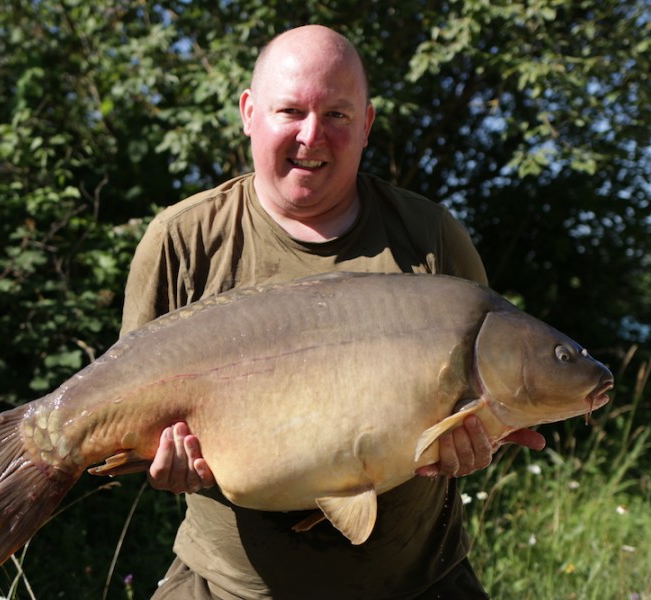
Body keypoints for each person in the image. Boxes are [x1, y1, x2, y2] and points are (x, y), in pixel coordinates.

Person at [121, 24, 545, 599]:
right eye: (290, 110)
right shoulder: (182, 239)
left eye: (338, 115)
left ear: (367, 124)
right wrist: (156, 460)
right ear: (249, 112)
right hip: (228, 586)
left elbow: (479, 401)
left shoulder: (429, 237)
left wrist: (476, 449)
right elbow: (127, 413)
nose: (311, 135)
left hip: (417, 582)